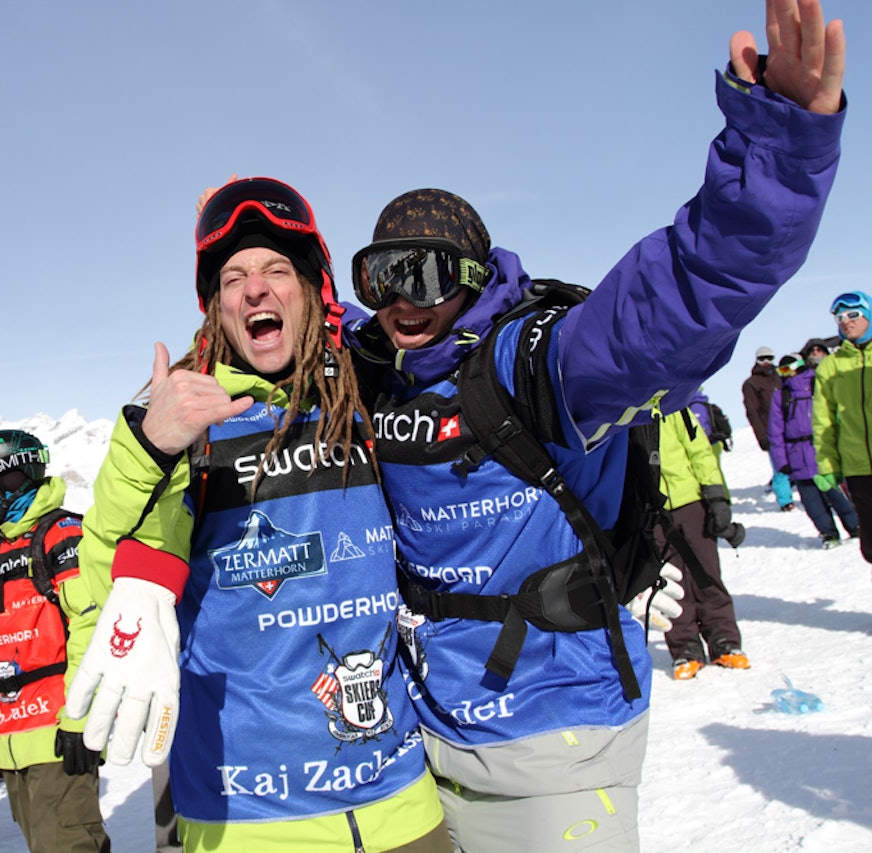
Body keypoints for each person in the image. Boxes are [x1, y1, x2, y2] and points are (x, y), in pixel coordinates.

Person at [333, 3, 842, 848]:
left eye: (423, 275)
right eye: (381, 274)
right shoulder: (384, 377)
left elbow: (680, 292)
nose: (399, 302)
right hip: (425, 743)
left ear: (473, 276)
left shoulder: (539, 363)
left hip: (555, 743)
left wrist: (779, 149)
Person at [66, 177, 449, 851]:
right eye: (234, 276)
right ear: (216, 305)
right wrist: (152, 447)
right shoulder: (186, 418)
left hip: (398, 800)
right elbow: (108, 568)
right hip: (249, 819)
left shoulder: (363, 387)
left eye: (277, 269)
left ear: (312, 290)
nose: (255, 288)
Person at [0, 430, 110, 853]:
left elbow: (91, 628)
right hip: (12, 731)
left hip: (55, 730)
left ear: (10, 478)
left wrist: (80, 720)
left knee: (69, 844)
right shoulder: (2, 550)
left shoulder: (62, 534)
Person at [656, 410, 750, 680]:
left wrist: (715, 493)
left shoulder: (673, 405)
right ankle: (685, 649)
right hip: (653, 510)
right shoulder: (619, 416)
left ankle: (724, 641)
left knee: (706, 573)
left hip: (691, 501)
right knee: (670, 583)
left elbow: (699, 450)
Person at [769, 352, 860, 548]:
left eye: (786, 369)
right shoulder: (781, 396)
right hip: (797, 453)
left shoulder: (816, 384)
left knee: (837, 494)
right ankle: (828, 533)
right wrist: (781, 461)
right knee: (812, 502)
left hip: (821, 450)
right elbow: (775, 432)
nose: (783, 374)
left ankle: (856, 526)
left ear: (798, 366)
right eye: (780, 371)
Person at [813, 290, 872, 564]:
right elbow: (823, 421)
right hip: (857, 468)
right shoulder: (830, 367)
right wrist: (828, 464)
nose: (845, 321)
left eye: (853, 314)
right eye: (839, 317)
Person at [743, 346, 795, 510]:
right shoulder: (751, 383)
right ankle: (785, 500)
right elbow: (752, 412)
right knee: (779, 466)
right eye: (762, 359)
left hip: (791, 426)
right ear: (756, 360)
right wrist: (761, 437)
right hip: (770, 430)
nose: (766, 362)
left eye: (769, 358)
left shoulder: (779, 377)